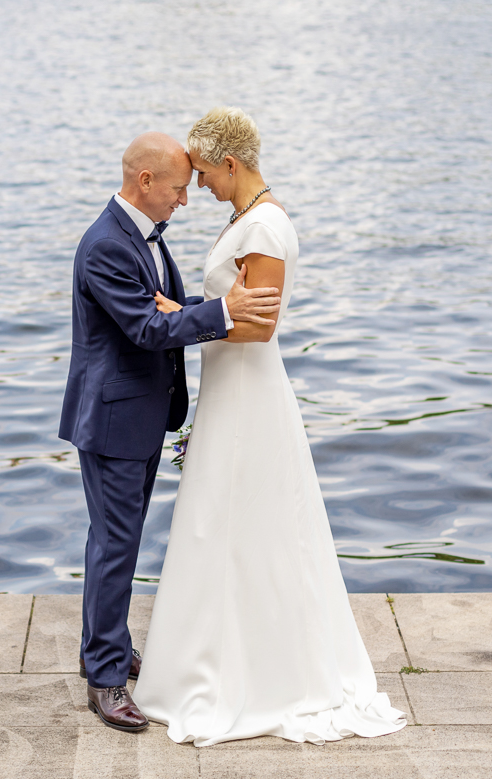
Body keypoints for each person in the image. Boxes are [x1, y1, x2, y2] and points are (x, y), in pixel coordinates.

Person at [132, 107, 407, 745]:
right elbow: (234, 309)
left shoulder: (265, 227)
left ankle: (254, 673)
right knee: (216, 523)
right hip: (229, 386)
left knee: (244, 521)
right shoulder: (245, 220)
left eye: (203, 173)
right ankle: (213, 656)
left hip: (248, 389)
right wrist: (196, 309)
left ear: (231, 164)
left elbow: (261, 324)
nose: (197, 185)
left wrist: (193, 312)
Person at [58, 131, 281, 732]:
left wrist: (180, 311)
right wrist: (226, 312)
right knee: (115, 544)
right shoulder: (106, 245)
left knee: (117, 540)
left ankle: (102, 649)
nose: (186, 199)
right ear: (146, 181)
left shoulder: (143, 237)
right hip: (113, 420)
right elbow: (145, 329)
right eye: (180, 188)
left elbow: (163, 312)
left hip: (143, 413)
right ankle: (105, 678)